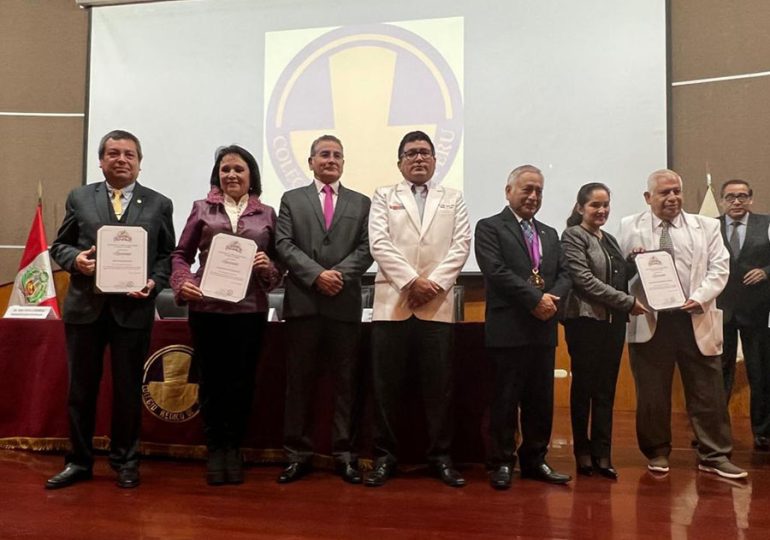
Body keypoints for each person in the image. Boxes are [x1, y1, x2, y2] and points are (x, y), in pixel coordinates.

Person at [46, 130, 175, 489]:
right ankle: (79, 462)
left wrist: (154, 282)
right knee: (81, 390)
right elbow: (61, 246)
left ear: (139, 162)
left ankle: (126, 461)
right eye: (114, 153)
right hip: (86, 308)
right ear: (101, 161)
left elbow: (167, 255)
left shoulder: (159, 203)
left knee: (128, 389)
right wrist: (77, 262)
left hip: (133, 310)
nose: (122, 159)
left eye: (129, 154)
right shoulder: (81, 197)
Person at [618, 169, 747, 479]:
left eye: (677, 191)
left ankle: (714, 455)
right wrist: (630, 262)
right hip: (651, 319)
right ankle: (657, 452)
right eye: (664, 193)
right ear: (648, 197)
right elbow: (618, 271)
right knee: (652, 392)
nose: (673, 197)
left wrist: (699, 298)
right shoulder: (629, 226)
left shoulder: (705, 226)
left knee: (708, 391)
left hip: (694, 316)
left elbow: (719, 268)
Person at [170, 145, 281, 485]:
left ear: (251, 176)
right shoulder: (202, 209)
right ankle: (215, 448)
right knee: (212, 382)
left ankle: (235, 447)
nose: (231, 174)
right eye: (225, 169)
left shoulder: (267, 214)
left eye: (239, 169)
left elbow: (278, 272)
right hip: (207, 309)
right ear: (217, 174)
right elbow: (180, 256)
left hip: (250, 311)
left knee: (242, 383)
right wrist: (183, 283)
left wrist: (268, 266)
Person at [366, 130, 471, 488]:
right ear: (400, 162)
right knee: (386, 388)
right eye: (411, 153)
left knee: (439, 388)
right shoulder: (383, 196)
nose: (418, 158)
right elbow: (379, 243)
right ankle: (384, 458)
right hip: (392, 304)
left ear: (435, 160)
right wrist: (412, 282)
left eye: (425, 152)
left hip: (436, 305)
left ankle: (441, 458)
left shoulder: (453, 198)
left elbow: (460, 247)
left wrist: (432, 285)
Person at [274, 135, 372, 484]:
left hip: (344, 305)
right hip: (303, 305)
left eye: (337, 156)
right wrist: (317, 276)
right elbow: (283, 244)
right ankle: (297, 455)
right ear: (311, 161)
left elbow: (367, 248)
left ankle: (344, 454)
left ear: (343, 163)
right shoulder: (291, 200)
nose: (331, 160)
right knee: (299, 384)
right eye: (324, 155)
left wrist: (338, 276)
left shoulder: (362, 203)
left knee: (346, 384)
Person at [475, 164, 572, 489]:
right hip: (509, 327)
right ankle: (501, 462)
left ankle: (535, 460)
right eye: (527, 189)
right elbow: (496, 271)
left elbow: (565, 275)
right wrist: (535, 299)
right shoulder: (489, 227)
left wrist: (552, 299)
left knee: (540, 400)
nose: (533, 196)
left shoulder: (549, 233)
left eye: (538, 191)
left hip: (543, 328)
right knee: (505, 399)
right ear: (509, 191)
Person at [560, 183, 647, 480]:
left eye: (606, 204)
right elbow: (584, 280)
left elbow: (617, 280)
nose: (602, 210)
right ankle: (582, 452)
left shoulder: (609, 239)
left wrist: (634, 264)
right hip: (584, 322)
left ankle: (603, 453)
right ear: (580, 207)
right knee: (584, 388)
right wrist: (627, 302)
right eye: (595, 205)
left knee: (606, 390)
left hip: (611, 324)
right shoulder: (573, 236)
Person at [717, 179, 770, 451]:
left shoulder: (766, 223)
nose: (736, 202)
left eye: (741, 196)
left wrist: (766, 271)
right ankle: (714, 431)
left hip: (758, 310)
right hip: (720, 311)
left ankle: (763, 432)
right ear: (722, 200)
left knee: (760, 372)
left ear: (751, 198)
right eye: (730, 197)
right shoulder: (710, 226)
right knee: (718, 372)